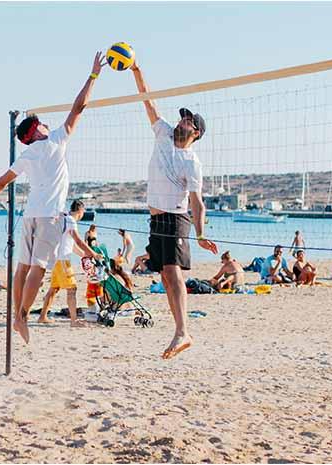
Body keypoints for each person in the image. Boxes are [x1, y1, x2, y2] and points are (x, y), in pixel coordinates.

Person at [0, 52, 105, 344]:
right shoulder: (55, 140)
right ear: (38, 130)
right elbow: (79, 107)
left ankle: (16, 315)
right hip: (51, 216)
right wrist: (93, 75)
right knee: (38, 270)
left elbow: (3, 181)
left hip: (31, 214)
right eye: (41, 123)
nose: (46, 124)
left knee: (22, 267)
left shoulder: (28, 153)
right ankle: (21, 317)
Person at [129, 60, 218, 360]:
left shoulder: (192, 162)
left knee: (172, 272)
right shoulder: (163, 134)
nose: (181, 122)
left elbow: (197, 202)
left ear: (196, 133)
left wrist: (201, 232)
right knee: (165, 277)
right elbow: (147, 100)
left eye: (188, 122)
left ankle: (183, 331)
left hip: (176, 217)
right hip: (156, 219)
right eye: (182, 119)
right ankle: (180, 331)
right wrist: (136, 69)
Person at [39, 200, 103, 327]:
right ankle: (74, 321)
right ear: (81, 211)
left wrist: (85, 254)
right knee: (72, 289)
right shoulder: (71, 221)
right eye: (84, 211)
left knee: (53, 289)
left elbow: (72, 245)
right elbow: (78, 240)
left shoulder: (66, 219)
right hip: (63, 261)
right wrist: (93, 253)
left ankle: (42, 316)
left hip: (58, 259)